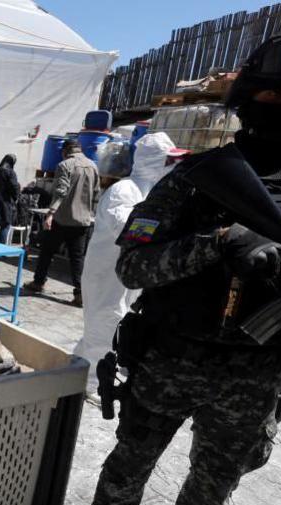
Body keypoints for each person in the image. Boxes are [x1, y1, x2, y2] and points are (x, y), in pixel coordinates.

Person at [74, 28, 281, 505]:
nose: (280, 106)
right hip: (172, 357)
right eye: (270, 94)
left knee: (215, 485)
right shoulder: (201, 177)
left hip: (256, 373)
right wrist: (219, 243)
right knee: (129, 465)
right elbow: (133, 264)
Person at [72, 133, 184, 393]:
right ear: (155, 161)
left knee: (104, 327)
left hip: (127, 278)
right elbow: (130, 230)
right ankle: (90, 386)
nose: (174, 166)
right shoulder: (124, 191)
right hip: (107, 278)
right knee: (106, 328)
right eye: (170, 161)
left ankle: (74, 368)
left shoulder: (153, 193)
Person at [25, 139, 101, 307]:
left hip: (62, 219)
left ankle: (38, 283)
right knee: (77, 259)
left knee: (46, 252)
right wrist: (92, 215)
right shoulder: (93, 166)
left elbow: (61, 191)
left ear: (66, 150)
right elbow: (96, 193)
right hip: (82, 222)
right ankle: (79, 294)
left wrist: (51, 213)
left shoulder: (64, 165)